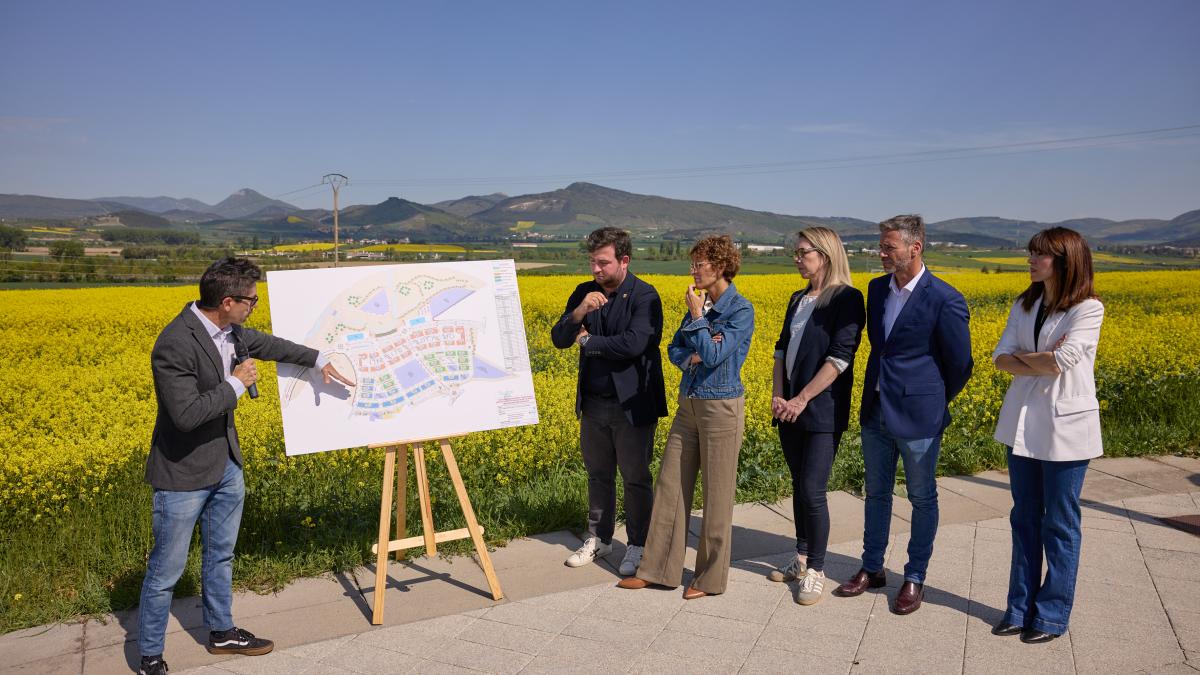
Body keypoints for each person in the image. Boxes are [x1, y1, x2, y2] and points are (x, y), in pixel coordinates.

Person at [138, 258, 353, 675]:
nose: (255, 306)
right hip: (183, 474)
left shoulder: (232, 332)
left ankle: (222, 633)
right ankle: (149, 656)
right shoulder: (174, 343)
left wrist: (319, 358)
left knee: (220, 556)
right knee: (166, 571)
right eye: (251, 300)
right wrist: (236, 382)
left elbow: (271, 345)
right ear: (228, 301)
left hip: (227, 465)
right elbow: (185, 415)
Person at [834, 215, 973, 615]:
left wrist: (931, 399)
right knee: (875, 492)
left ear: (915, 248)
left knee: (921, 496)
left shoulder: (945, 298)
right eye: (881, 245)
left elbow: (960, 364)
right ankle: (872, 567)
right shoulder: (876, 290)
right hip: (876, 409)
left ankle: (915, 576)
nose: (881, 253)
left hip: (919, 417)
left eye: (888, 246)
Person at [617, 234, 754, 599]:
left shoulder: (740, 310)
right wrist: (688, 355)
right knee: (670, 487)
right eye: (692, 264)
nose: (692, 270)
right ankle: (659, 569)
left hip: (721, 408)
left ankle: (709, 579)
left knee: (717, 495)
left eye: (699, 264)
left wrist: (697, 318)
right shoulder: (704, 301)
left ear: (720, 267)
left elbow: (711, 355)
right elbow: (675, 347)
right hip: (689, 404)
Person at [990, 227, 1104, 644]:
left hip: (1065, 430)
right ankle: (1018, 609)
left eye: (1040, 254)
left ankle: (1052, 616)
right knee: (1023, 519)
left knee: (1059, 523)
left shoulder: (1088, 309)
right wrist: (1030, 360)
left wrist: (1027, 360)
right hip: (1022, 426)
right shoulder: (1025, 304)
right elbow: (999, 358)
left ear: (1065, 260)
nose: (1031, 259)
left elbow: (1063, 361)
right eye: (1031, 252)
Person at [550, 227, 668, 575]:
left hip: (632, 405)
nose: (596, 270)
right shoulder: (584, 293)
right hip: (593, 403)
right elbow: (559, 338)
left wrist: (587, 342)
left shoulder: (645, 296)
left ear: (624, 260)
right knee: (598, 475)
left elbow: (634, 344)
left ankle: (638, 544)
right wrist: (578, 314)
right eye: (592, 262)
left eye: (603, 263)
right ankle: (600, 539)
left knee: (635, 478)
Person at [767, 227, 865, 605]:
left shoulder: (847, 299)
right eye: (796, 251)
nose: (797, 258)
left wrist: (802, 398)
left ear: (824, 254)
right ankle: (802, 556)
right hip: (789, 407)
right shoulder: (797, 298)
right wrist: (779, 394)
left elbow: (840, 357)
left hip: (821, 409)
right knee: (797, 485)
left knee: (813, 489)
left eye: (803, 252)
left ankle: (816, 571)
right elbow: (780, 350)